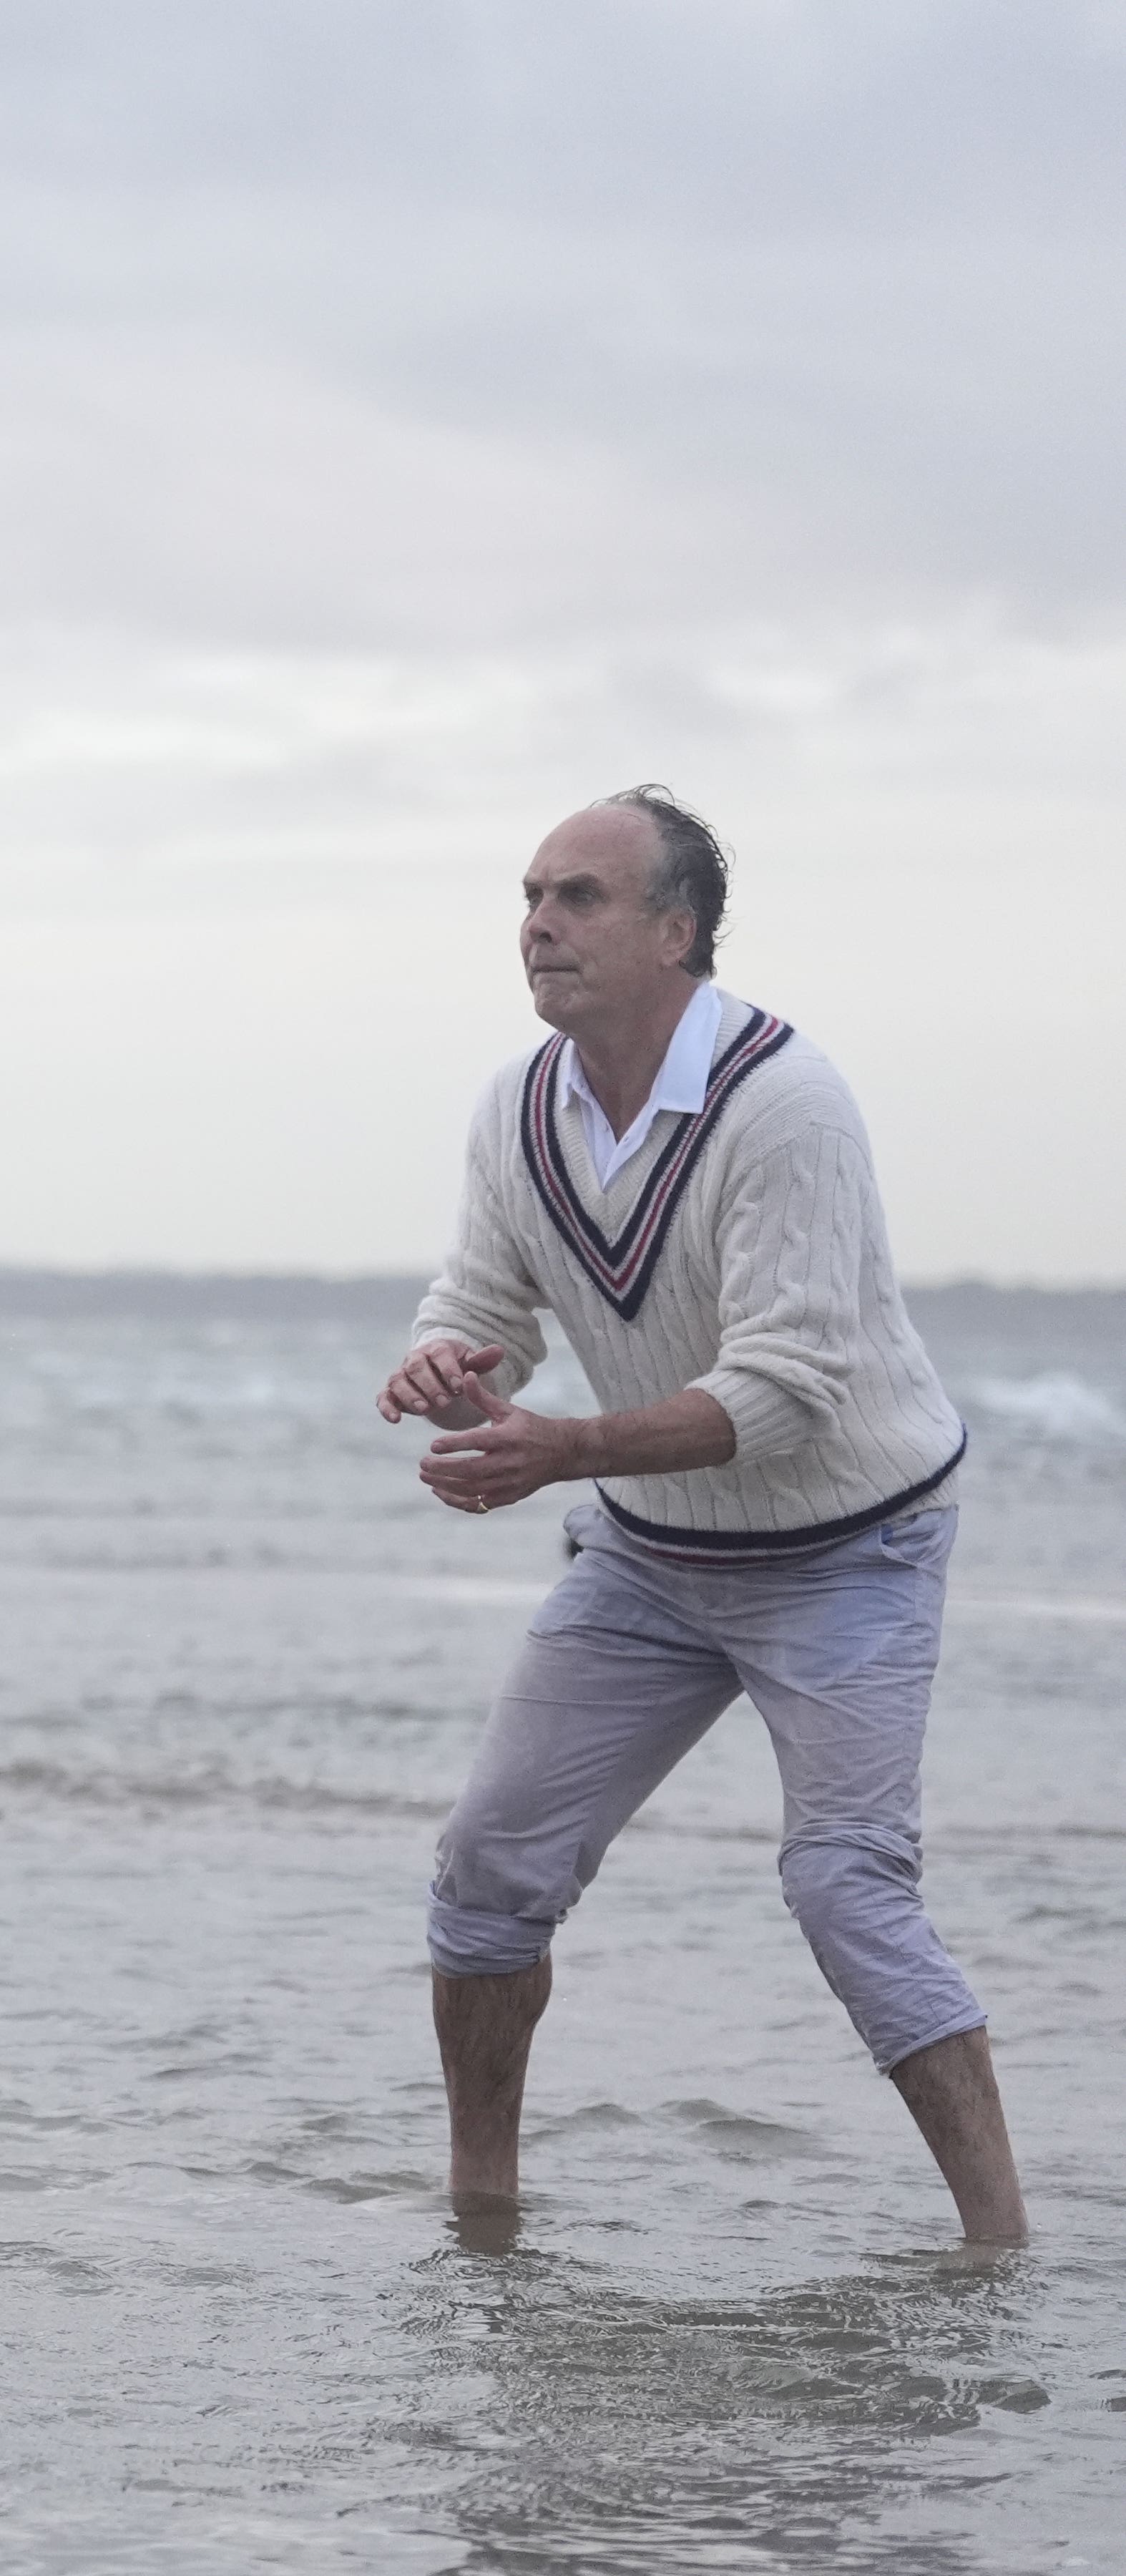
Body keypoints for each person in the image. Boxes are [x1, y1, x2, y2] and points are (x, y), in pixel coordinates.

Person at [380, 786, 1023, 2244]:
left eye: (580, 898)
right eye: (531, 896)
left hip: (849, 1553)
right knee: (487, 1871)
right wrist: (446, 1362)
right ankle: (483, 2219)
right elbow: (487, 1303)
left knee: (845, 1890)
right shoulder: (517, 1103)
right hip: (649, 1558)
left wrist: (565, 1450)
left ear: (677, 931)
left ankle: (1001, 2251)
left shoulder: (783, 1102)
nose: (539, 923)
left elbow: (789, 1387)